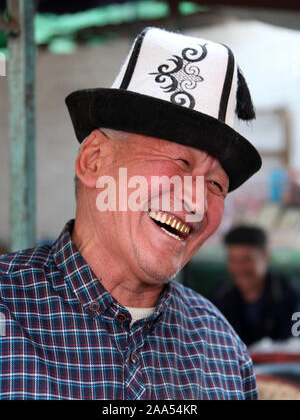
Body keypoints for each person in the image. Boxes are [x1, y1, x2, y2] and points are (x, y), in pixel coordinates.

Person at [0, 27, 262, 399]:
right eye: (181, 161)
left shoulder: (223, 350)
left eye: (216, 185)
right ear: (95, 160)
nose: (198, 203)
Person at [211, 225, 300, 346]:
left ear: (265, 256)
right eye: (233, 260)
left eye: (247, 259)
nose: (239, 268)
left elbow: (294, 343)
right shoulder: (220, 296)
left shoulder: (289, 294)